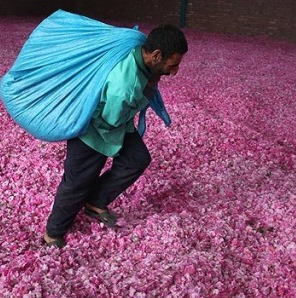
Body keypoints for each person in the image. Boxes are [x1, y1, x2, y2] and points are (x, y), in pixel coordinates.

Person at [43, 25, 188, 248]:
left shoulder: (137, 47)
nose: (174, 71)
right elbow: (112, 121)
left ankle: (95, 202)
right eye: (172, 64)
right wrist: (147, 89)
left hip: (116, 122)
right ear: (156, 55)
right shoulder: (126, 86)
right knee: (77, 182)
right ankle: (53, 233)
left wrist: (148, 84)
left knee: (136, 160)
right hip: (92, 129)